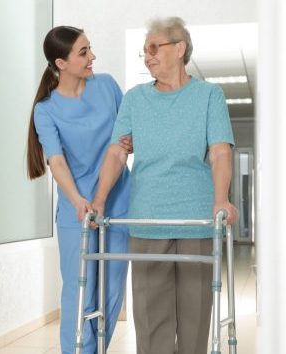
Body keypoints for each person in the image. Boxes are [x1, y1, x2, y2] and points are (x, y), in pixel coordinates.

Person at [91, 17, 237, 354]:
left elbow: (219, 152)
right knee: (150, 319)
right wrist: (99, 199)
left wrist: (221, 199)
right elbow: (116, 152)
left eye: (155, 48)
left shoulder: (209, 95)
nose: (148, 56)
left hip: (197, 223)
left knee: (194, 319)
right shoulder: (135, 99)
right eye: (144, 51)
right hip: (147, 221)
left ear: (180, 48)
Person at [26, 26, 131, 354]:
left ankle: (96, 349)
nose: (92, 57)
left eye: (90, 49)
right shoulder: (46, 109)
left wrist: (130, 140)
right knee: (79, 289)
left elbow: (129, 132)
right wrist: (77, 200)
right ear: (61, 62)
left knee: (112, 290)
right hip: (77, 208)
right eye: (83, 52)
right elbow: (56, 161)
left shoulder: (108, 87)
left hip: (119, 200)